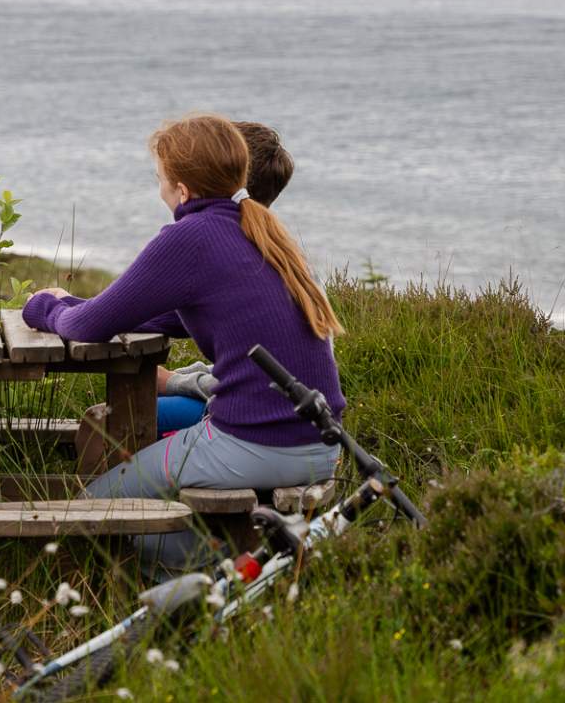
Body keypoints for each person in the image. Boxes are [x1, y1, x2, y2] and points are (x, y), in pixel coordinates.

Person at [22, 113, 344, 572]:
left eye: (160, 179)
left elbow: (89, 328)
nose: (159, 189)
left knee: (95, 509)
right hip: (320, 442)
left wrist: (44, 308)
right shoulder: (264, 233)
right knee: (122, 459)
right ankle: (230, 552)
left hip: (257, 442)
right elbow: (153, 313)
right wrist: (75, 302)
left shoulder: (188, 237)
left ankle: (214, 565)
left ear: (182, 190)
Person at [152, 120, 296, 434]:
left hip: (255, 423)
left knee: (113, 418)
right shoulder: (277, 249)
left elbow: (253, 388)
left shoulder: (221, 251)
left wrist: (175, 382)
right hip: (286, 421)